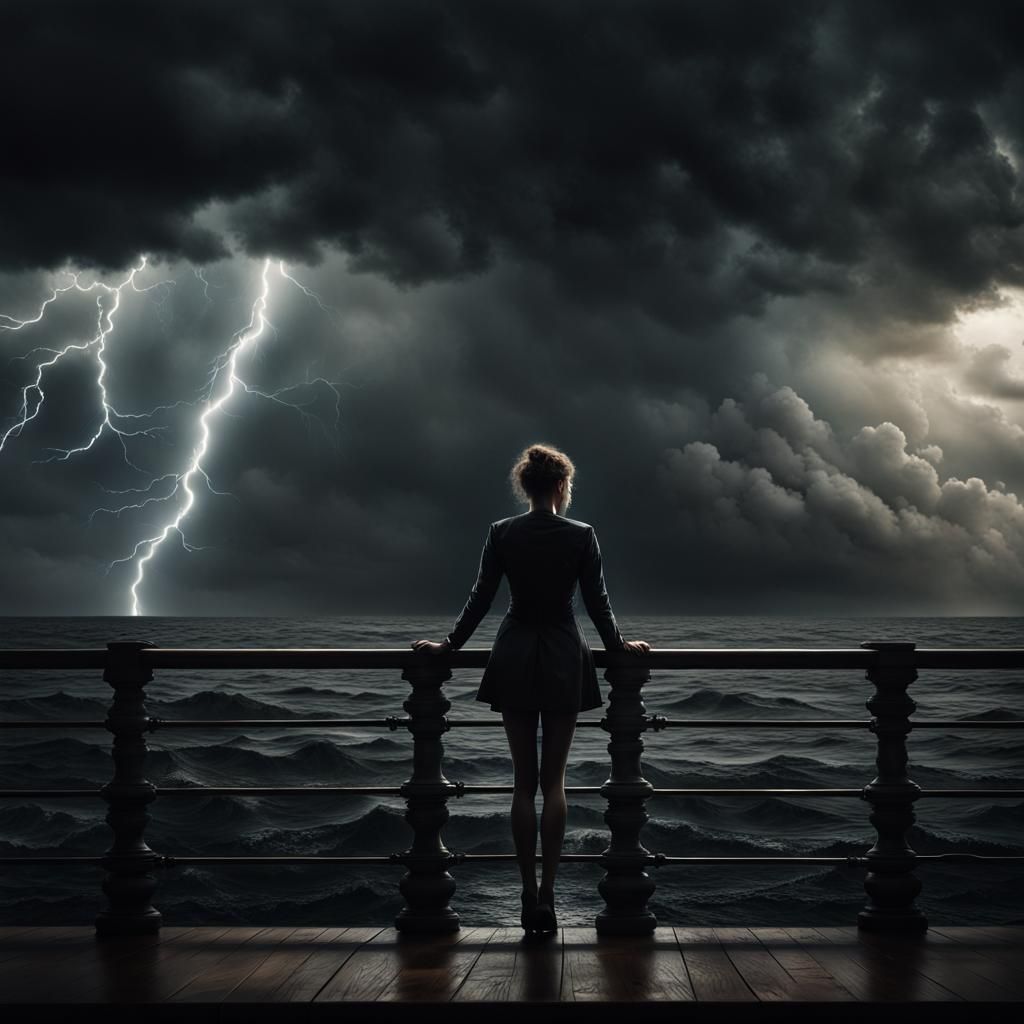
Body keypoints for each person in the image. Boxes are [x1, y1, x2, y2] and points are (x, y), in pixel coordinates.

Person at [411, 442, 649, 937]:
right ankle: (548, 895)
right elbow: (598, 603)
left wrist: (449, 645)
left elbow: (480, 598)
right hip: (563, 654)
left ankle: (525, 890)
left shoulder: (502, 532)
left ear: (526, 486)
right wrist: (619, 646)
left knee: (523, 783)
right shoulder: (582, 535)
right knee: (553, 783)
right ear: (562, 485)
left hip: (515, 652)